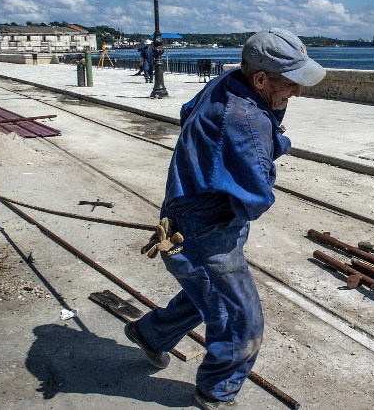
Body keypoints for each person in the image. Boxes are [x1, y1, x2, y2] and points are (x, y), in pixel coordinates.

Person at [125, 29, 325, 409]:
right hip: (207, 228)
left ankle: (150, 335)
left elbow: (186, 113)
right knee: (241, 323)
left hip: (183, 211)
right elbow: (256, 197)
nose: (297, 92)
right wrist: (272, 146)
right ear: (261, 78)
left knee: (205, 289)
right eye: (291, 83)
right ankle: (216, 392)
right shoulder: (247, 121)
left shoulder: (226, 83)